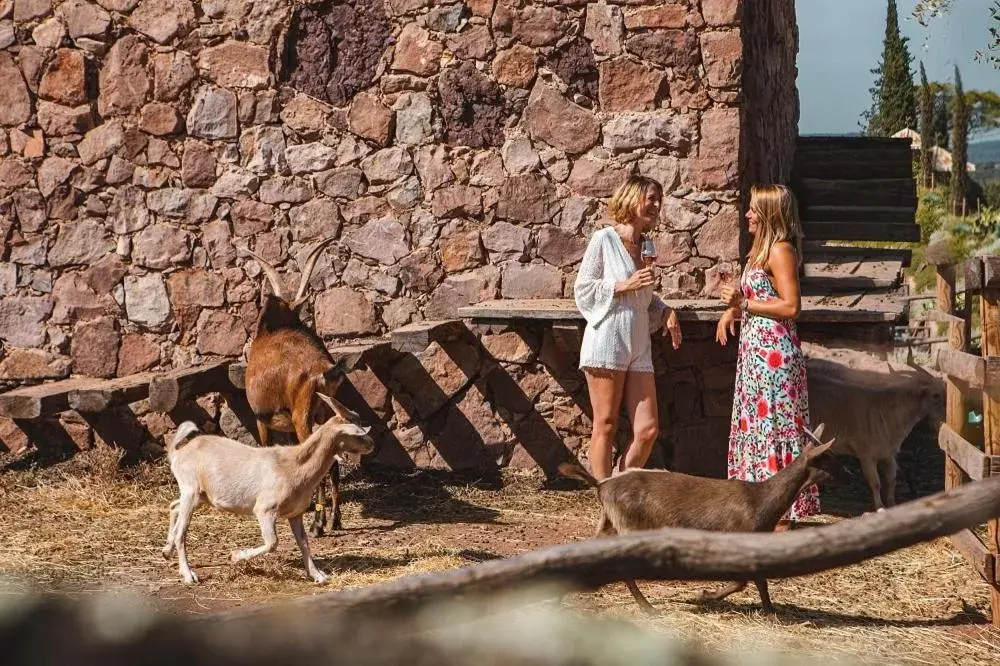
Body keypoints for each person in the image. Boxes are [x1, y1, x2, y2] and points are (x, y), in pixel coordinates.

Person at [716, 184, 817, 529]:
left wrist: (743, 304)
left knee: (775, 427)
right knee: (758, 427)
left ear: (770, 214)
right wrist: (732, 312)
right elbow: (759, 297)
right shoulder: (761, 252)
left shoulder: (780, 251)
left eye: (753, 209)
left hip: (774, 356)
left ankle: (783, 514)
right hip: (756, 355)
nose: (747, 214)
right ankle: (759, 505)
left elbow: (791, 306)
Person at [574, 176, 683, 481]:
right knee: (606, 423)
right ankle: (606, 499)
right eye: (651, 198)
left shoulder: (646, 245)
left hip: (638, 342)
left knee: (647, 430)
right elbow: (583, 289)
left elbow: (644, 297)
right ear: (632, 198)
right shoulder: (604, 240)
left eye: (659, 200)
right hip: (608, 337)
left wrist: (664, 311)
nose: (657, 206)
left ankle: (618, 490)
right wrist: (624, 284)